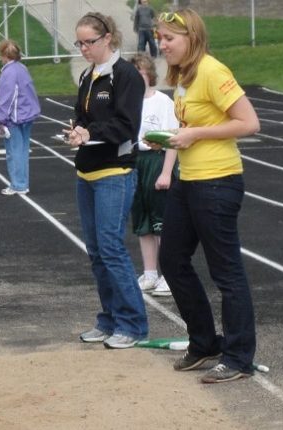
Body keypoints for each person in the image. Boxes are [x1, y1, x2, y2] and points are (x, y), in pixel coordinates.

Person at [155, 9, 260, 383]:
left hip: (217, 182)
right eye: (159, 38)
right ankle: (204, 343)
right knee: (171, 259)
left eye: (169, 38)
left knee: (226, 272)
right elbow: (193, 124)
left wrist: (194, 134)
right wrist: (173, 138)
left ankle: (239, 357)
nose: (162, 45)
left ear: (192, 38)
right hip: (189, 179)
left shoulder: (213, 71)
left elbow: (249, 123)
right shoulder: (184, 76)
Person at [63, 13, 148, 349]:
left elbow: (126, 125)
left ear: (108, 38)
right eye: (80, 43)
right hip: (86, 172)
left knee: (111, 248)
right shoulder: (89, 75)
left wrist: (91, 132)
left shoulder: (125, 76)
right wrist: (76, 131)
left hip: (115, 171)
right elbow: (82, 115)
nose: (84, 48)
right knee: (97, 251)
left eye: (90, 42)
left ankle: (133, 324)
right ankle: (109, 319)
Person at [129, 54, 177, 297]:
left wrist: (166, 173)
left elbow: (172, 139)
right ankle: (150, 273)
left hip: (157, 161)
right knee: (143, 222)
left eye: (140, 73)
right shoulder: (127, 102)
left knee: (162, 223)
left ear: (149, 74)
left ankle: (169, 275)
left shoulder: (162, 102)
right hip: (134, 161)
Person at [0, 39, 41, 196]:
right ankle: (22, 183)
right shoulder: (22, 68)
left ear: (4, 55)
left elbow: (6, 97)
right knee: (22, 150)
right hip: (26, 115)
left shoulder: (8, 72)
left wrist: (0, 120)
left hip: (14, 117)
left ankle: (18, 184)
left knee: (14, 152)